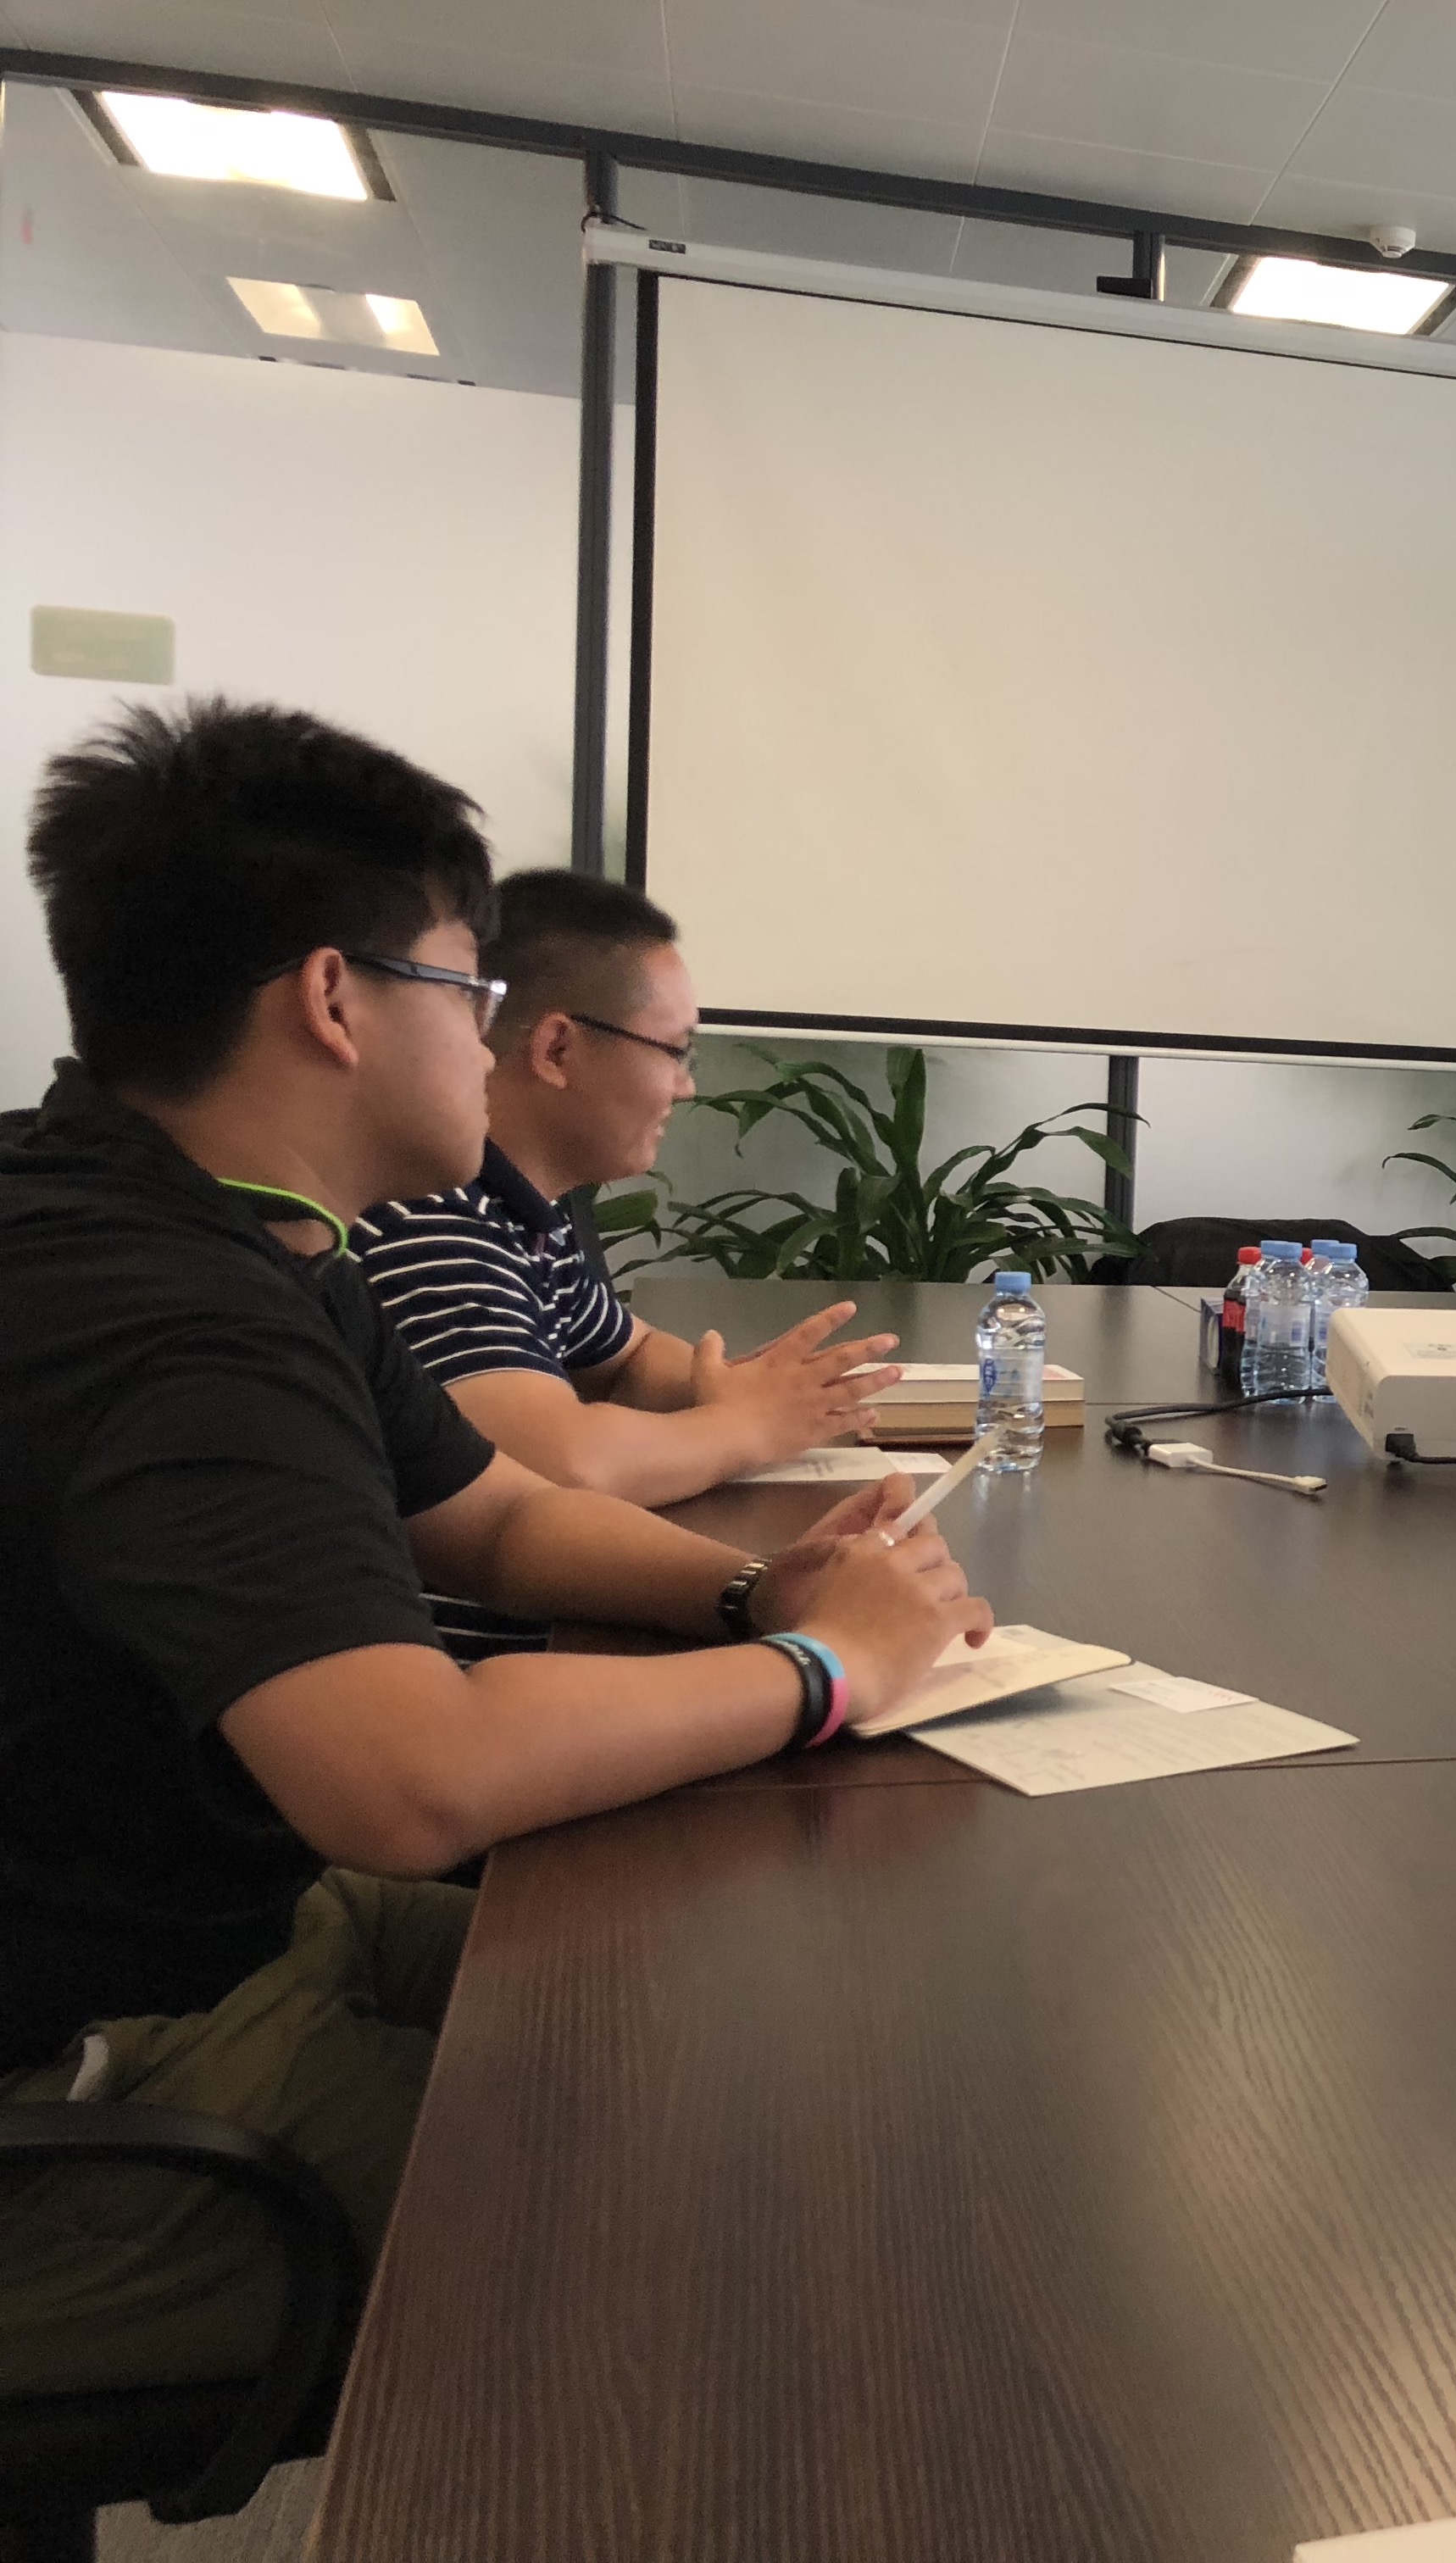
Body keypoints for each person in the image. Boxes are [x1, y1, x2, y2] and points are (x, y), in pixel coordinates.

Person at [0, 700, 991, 2398]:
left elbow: (497, 1515)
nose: (489, 1040)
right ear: (334, 1000)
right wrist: (825, 1669)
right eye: (468, 992)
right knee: (754, 2249)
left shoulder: (249, 1232)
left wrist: (757, 1585)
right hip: (73, 2076)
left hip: (218, 1917)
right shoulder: (167, 1319)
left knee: (731, 2026)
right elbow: (412, 1782)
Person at [354, 870, 898, 1655]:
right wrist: (743, 1427)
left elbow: (628, 1357)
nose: (686, 1087)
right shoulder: (429, 1220)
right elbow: (557, 1465)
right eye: (675, 1052)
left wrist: (764, 1391)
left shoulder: (519, 1211)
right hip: (476, 1666)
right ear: (558, 1049)